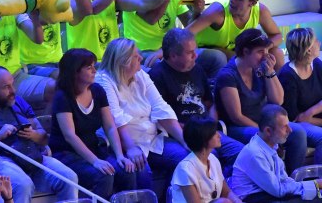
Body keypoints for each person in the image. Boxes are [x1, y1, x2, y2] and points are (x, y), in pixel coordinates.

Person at [0, 66, 78, 203]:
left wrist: (34, 135)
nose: (13, 90)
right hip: (1, 158)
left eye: (12, 84)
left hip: (31, 154)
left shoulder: (17, 101)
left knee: (69, 177)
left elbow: (43, 136)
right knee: (23, 185)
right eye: (6, 87)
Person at [97, 38, 190, 189]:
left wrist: (184, 140)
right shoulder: (103, 80)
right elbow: (115, 119)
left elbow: (161, 107)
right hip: (124, 143)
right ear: (123, 61)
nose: (141, 58)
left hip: (151, 139)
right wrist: (131, 148)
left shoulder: (141, 75)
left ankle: (169, 197)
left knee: (185, 158)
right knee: (140, 171)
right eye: (135, 56)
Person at [150, 29, 244, 176]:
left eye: (195, 50)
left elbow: (209, 103)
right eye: (190, 53)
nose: (196, 56)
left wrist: (211, 125)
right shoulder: (157, 76)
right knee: (211, 156)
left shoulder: (197, 69)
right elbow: (161, 118)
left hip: (207, 130)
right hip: (182, 134)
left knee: (241, 153)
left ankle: (226, 186)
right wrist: (196, 132)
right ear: (173, 55)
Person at [121, 0, 227, 78]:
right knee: (167, 66)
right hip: (143, 52)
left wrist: (197, 11)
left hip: (171, 50)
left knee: (217, 58)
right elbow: (152, 19)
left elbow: (188, 25)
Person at [214, 28, 308, 174]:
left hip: (265, 124)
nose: (266, 56)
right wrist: (264, 131)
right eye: (260, 52)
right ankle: (274, 181)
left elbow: (278, 100)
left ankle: (291, 178)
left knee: (298, 133)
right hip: (238, 128)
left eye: (267, 51)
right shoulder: (228, 75)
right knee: (271, 136)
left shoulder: (259, 68)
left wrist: (270, 72)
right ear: (245, 52)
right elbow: (237, 117)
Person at [50, 49, 139, 200]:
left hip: (94, 148)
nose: (94, 70)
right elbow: (70, 135)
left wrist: (119, 156)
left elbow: (110, 126)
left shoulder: (97, 90)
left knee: (126, 170)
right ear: (75, 72)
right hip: (67, 154)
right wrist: (95, 161)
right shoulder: (62, 96)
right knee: (104, 176)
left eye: (93, 66)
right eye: (89, 67)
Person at [16, 0, 91, 79]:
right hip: (31, 66)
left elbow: (85, 10)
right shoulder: (17, 1)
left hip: (58, 62)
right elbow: (47, 18)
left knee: (86, 74)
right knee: (65, 77)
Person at [188, 0, 285, 69]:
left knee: (276, 53)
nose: (232, 0)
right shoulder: (217, 11)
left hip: (233, 51)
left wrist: (266, 47)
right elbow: (186, 34)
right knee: (224, 56)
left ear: (252, 3)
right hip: (203, 49)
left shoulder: (261, 11)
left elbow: (277, 35)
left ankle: (278, 80)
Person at [231, 104, 322, 202]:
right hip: (254, 198)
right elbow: (279, 190)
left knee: (316, 196)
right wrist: (315, 184)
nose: (290, 130)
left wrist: (312, 188)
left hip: (269, 194)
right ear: (268, 131)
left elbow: (285, 180)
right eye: (284, 127)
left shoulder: (271, 147)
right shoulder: (255, 153)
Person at [171, 116, 243, 203]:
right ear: (204, 138)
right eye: (214, 133)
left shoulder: (213, 159)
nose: (219, 135)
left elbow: (226, 192)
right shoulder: (185, 169)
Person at [278, 27, 322, 164]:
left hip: (313, 118)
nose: (319, 43)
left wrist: (310, 112)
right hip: (298, 125)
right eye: (316, 41)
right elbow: (295, 118)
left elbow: (305, 115)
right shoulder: (287, 76)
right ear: (308, 50)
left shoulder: (317, 64)